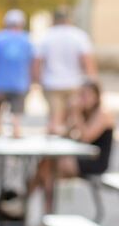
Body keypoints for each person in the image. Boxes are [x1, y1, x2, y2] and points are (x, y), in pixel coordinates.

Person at [28, 79, 113, 215]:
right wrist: (67, 113)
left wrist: (76, 113)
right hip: (82, 158)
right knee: (46, 168)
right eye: (81, 95)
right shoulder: (85, 113)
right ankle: (43, 211)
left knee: (49, 167)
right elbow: (67, 133)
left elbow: (86, 137)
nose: (83, 99)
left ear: (96, 97)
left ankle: (31, 206)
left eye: (86, 95)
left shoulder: (102, 115)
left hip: (96, 161)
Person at [35, 8, 96, 131]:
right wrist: (92, 82)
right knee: (73, 117)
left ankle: (54, 144)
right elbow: (87, 61)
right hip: (75, 83)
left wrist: (37, 80)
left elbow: (38, 62)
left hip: (52, 83)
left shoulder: (46, 36)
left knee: (55, 118)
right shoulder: (79, 36)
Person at [0, 9, 34, 137]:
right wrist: (33, 80)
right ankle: (16, 132)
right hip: (20, 82)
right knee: (17, 113)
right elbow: (32, 62)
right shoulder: (27, 39)